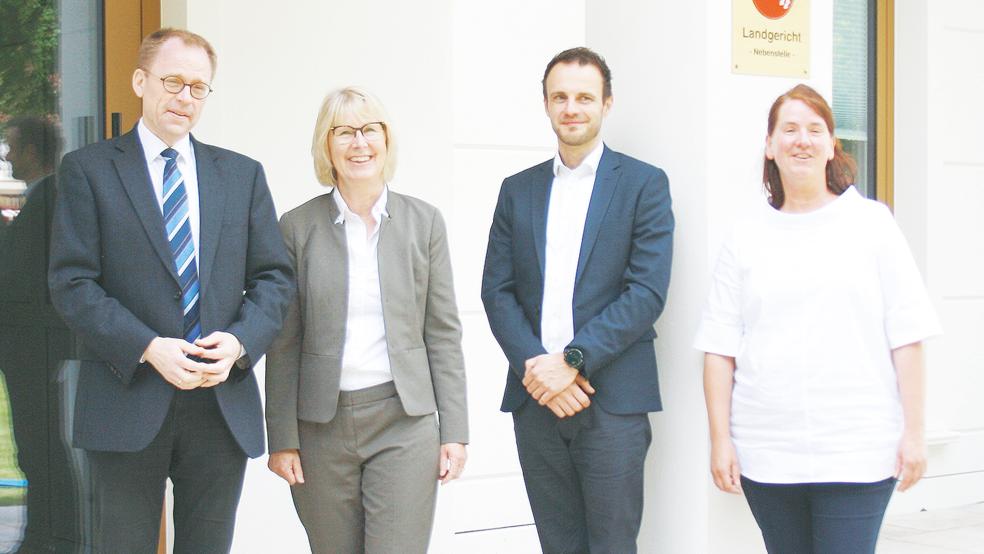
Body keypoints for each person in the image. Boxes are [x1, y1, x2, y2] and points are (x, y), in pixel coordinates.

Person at [47, 28, 294, 553]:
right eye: (173, 81)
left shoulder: (242, 176)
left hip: (219, 402)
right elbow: (72, 282)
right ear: (141, 81)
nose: (185, 97)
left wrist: (240, 343)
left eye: (198, 87)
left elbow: (274, 278)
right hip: (126, 398)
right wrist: (147, 347)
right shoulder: (89, 171)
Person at [695, 84, 941, 554]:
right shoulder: (746, 236)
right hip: (768, 452)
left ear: (832, 146)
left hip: (857, 449)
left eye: (814, 129)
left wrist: (915, 432)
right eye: (789, 129)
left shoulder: (873, 224)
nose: (801, 140)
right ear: (770, 146)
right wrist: (720, 439)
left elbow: (908, 337)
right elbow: (719, 348)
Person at [481, 47, 674, 553]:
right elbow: (496, 291)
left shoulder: (643, 185)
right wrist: (539, 372)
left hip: (612, 401)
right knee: (557, 545)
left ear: (607, 104)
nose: (572, 107)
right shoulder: (516, 190)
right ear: (546, 104)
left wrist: (572, 362)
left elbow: (646, 292)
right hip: (536, 400)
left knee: (612, 546)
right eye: (560, 97)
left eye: (585, 97)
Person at [265, 86, 468, 554]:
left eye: (370, 129)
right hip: (321, 428)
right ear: (326, 146)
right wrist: (283, 438)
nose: (359, 143)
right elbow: (284, 343)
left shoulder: (424, 222)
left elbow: (442, 332)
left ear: (386, 139)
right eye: (344, 132)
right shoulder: (296, 228)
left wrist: (455, 429)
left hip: (404, 421)